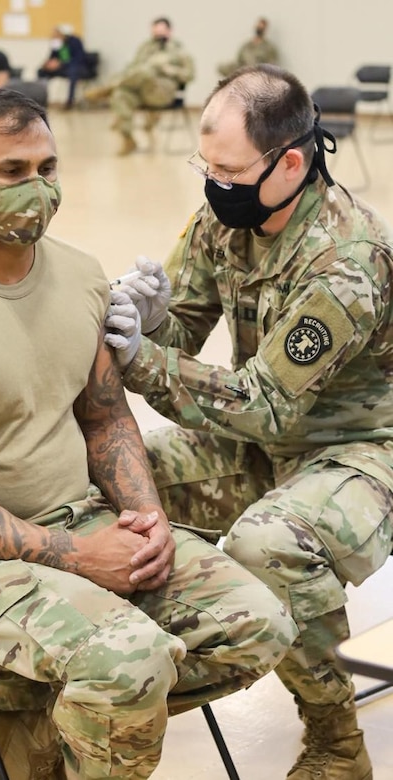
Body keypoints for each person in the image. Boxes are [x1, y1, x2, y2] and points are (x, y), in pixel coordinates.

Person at [0, 87, 297, 780]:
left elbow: (105, 418)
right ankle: (50, 733)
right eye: (13, 172)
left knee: (260, 625)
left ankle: (30, 728)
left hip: (88, 521)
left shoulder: (79, 276)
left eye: (48, 168)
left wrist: (146, 514)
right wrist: (74, 555)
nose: (39, 190)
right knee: (127, 664)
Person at [104, 64, 393, 780]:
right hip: (262, 445)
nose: (213, 183)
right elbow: (182, 345)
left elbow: (264, 402)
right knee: (104, 480)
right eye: (206, 165)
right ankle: (69, 701)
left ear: (291, 161)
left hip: (358, 455)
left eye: (228, 170)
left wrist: (139, 360)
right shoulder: (223, 220)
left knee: (272, 543)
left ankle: (336, 743)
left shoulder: (344, 262)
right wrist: (149, 317)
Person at [84, 17, 195, 156]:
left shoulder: (180, 51)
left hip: (160, 92)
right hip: (140, 90)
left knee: (146, 70)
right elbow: (131, 68)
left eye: (161, 32)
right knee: (120, 94)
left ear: (169, 31)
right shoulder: (145, 48)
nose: (158, 36)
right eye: (155, 33)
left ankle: (108, 88)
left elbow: (190, 75)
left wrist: (170, 69)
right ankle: (129, 140)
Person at [37, 24, 88, 110]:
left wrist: (61, 64)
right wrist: (48, 64)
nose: (54, 36)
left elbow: (79, 58)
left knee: (73, 73)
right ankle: (41, 99)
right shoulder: (56, 43)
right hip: (60, 68)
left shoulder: (75, 41)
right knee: (41, 71)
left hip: (75, 67)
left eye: (57, 34)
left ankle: (70, 102)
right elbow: (52, 56)